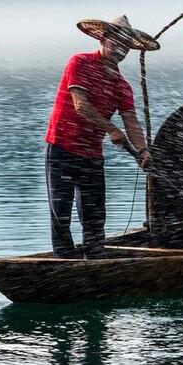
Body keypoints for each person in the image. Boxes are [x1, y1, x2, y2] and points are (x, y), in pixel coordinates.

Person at [44, 15, 157, 258]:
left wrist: (143, 151)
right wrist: (111, 129)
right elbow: (80, 105)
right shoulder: (80, 62)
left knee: (94, 214)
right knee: (60, 211)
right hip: (62, 147)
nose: (121, 49)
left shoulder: (121, 85)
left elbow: (131, 121)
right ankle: (63, 258)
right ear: (104, 39)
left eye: (126, 45)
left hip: (92, 154)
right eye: (116, 42)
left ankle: (95, 256)